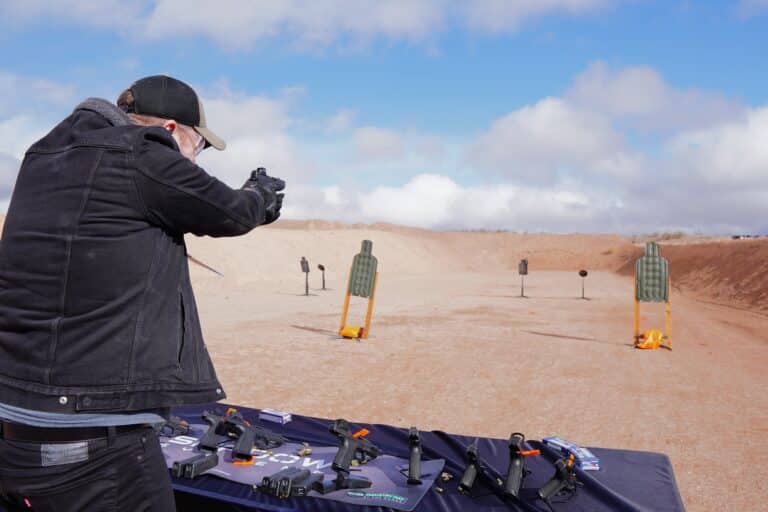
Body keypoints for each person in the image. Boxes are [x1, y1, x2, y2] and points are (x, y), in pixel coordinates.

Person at [0, 75, 285, 511]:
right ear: (170, 130)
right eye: (199, 145)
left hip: (17, 418)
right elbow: (230, 212)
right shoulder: (141, 154)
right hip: (98, 436)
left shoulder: (44, 156)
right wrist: (259, 195)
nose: (197, 157)